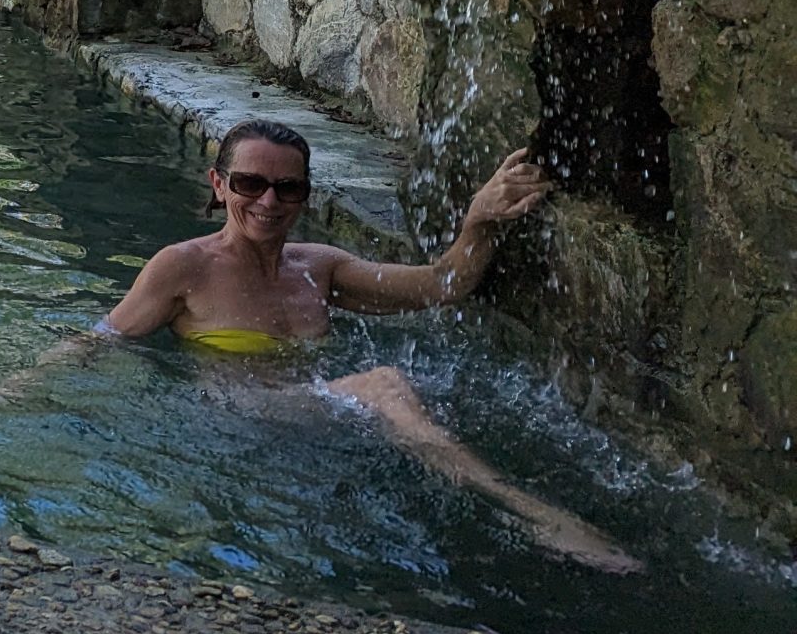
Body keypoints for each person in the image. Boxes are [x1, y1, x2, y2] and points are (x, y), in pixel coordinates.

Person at [39, 119, 639, 572]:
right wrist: (18, 386)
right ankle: (536, 516)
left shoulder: (319, 267)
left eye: (287, 188)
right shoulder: (183, 267)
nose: (268, 202)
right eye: (250, 183)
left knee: (388, 404)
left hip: (311, 416)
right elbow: (105, 336)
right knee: (384, 385)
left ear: (305, 195)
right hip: (232, 417)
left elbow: (440, 285)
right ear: (219, 185)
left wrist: (479, 220)